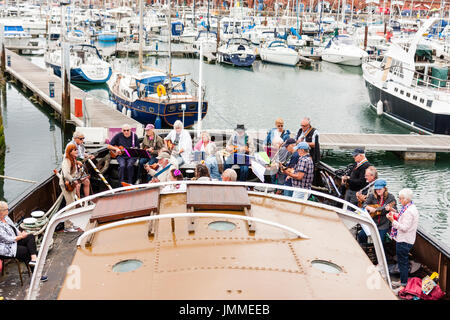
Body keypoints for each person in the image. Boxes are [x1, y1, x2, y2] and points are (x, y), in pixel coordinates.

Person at [386, 188, 419, 293]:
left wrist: (392, 220)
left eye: (400, 198)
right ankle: (402, 281)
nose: (399, 200)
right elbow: (402, 218)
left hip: (404, 240)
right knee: (402, 262)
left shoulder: (409, 211)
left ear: (406, 199)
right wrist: (394, 213)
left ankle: (403, 284)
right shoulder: (409, 207)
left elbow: (404, 227)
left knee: (403, 262)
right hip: (405, 239)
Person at [357, 179, 397, 245]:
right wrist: (369, 207)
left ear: (384, 188)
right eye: (376, 189)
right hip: (372, 222)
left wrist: (390, 208)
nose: (378, 191)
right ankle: (364, 248)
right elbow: (364, 205)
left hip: (384, 224)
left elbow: (395, 210)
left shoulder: (391, 197)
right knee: (361, 235)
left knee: (380, 242)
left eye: (380, 189)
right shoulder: (372, 195)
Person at [59, 144, 83, 231]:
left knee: (72, 203)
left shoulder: (73, 159)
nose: (76, 151)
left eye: (76, 149)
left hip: (71, 185)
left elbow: (74, 172)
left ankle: (72, 223)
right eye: (74, 150)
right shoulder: (67, 161)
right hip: (66, 185)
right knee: (70, 205)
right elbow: (66, 174)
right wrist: (73, 180)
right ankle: (67, 226)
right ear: (69, 152)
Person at [66, 131, 92, 198]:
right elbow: (68, 157)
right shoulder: (70, 145)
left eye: (83, 138)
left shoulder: (81, 145)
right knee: (78, 185)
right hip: (72, 168)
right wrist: (77, 162)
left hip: (80, 167)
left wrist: (88, 156)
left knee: (87, 182)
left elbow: (82, 154)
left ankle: (87, 200)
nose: (82, 140)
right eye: (81, 139)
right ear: (75, 138)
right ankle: (79, 203)